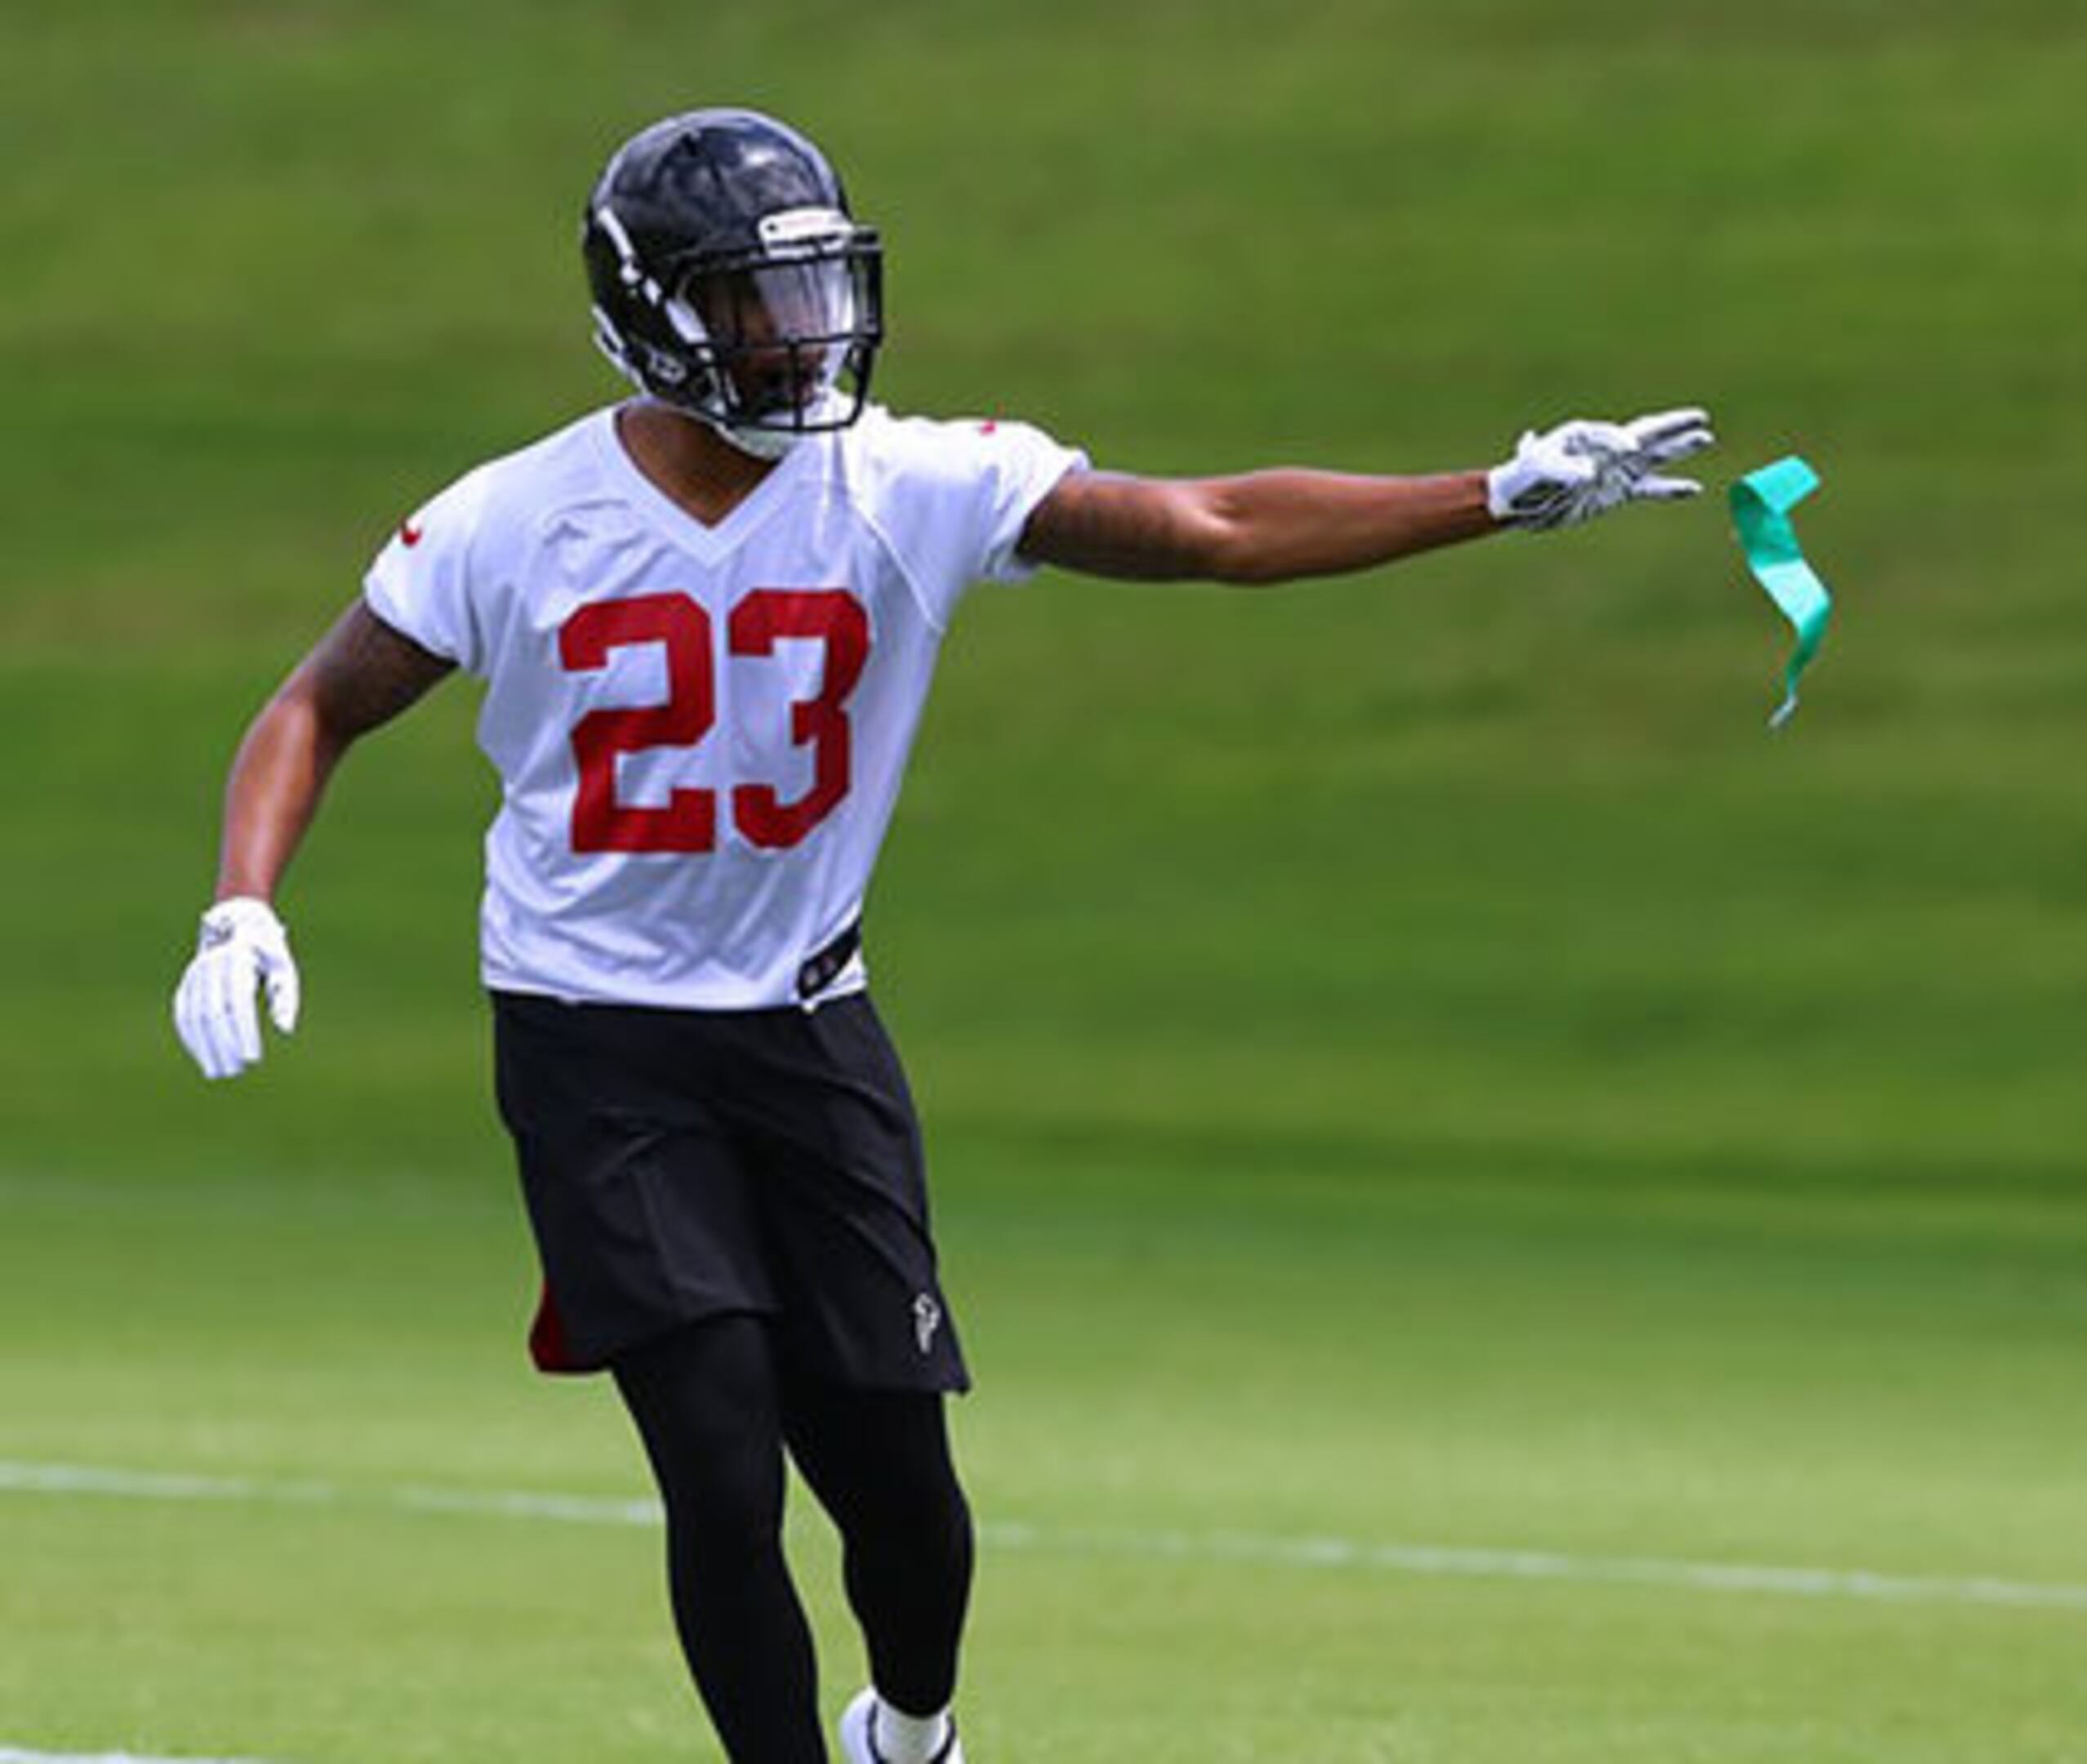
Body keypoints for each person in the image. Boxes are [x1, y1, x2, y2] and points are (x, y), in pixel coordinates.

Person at [167, 106, 1712, 1764]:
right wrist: (241, 903)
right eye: (752, 303)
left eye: (816, 290)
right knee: (717, 1451)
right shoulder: (511, 517)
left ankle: (910, 1733)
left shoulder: (907, 478)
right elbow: (316, 706)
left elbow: (1209, 530)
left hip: (804, 1024)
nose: (799, 336)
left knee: (900, 1488)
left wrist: (1495, 494)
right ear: (648, 313)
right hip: (592, 1037)